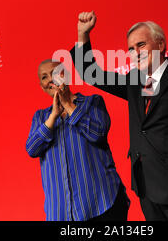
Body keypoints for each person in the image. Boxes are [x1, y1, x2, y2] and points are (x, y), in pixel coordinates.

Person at [70, 12, 168, 221]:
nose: (135, 52)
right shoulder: (134, 82)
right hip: (148, 193)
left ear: (161, 45)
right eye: (130, 49)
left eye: (141, 45)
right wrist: (83, 35)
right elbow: (92, 74)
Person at [26, 59, 129, 221]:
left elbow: (97, 134)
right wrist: (53, 116)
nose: (50, 80)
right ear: (41, 86)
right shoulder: (40, 117)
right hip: (61, 212)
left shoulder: (92, 102)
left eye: (54, 73)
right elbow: (32, 149)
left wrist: (68, 104)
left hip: (102, 204)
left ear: (65, 75)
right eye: (44, 77)